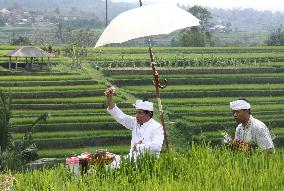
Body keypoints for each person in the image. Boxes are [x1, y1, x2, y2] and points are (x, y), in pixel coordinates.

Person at [105, 86, 164, 167]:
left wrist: (138, 146)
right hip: (131, 159)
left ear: (149, 114)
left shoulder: (157, 127)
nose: (136, 115)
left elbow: (156, 147)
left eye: (140, 113)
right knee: (107, 162)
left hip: (145, 163)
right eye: (136, 112)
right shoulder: (135, 122)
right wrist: (110, 98)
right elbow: (120, 117)